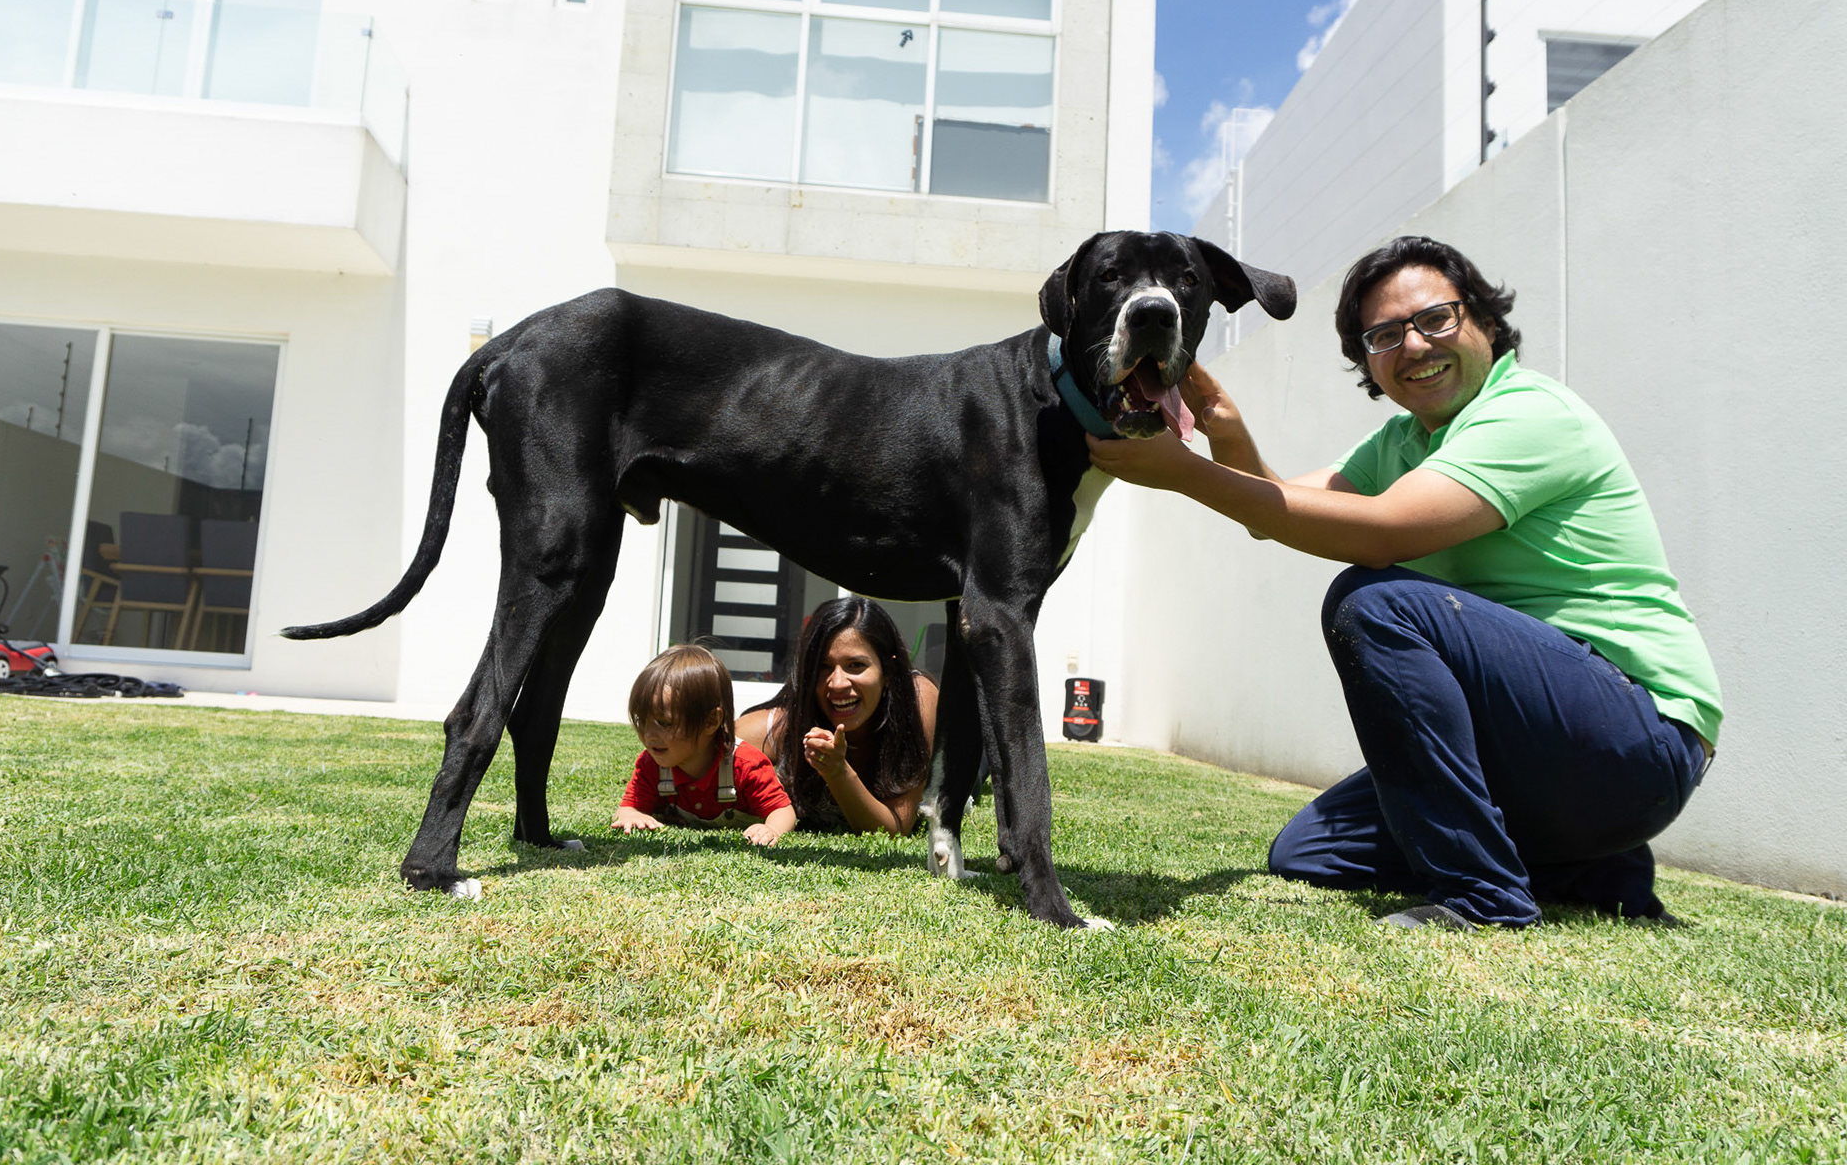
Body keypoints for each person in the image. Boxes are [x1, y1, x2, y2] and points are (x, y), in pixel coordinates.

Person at [1086, 235, 1721, 929]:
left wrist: (1188, 475)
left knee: (1375, 603)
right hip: (1536, 753)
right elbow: (1276, 507)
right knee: (1308, 852)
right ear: (1368, 362)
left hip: (1638, 736)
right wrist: (1225, 436)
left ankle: (1486, 898)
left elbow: (1382, 532)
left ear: (1484, 321)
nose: (1413, 346)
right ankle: (1589, 865)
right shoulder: (1405, 442)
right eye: (1384, 335)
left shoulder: (1531, 414)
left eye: (1436, 319)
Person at [736, 596, 939, 835]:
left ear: (888, 671)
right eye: (824, 667)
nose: (838, 683)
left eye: (856, 665)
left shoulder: (917, 699)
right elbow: (708, 745)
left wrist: (837, 772)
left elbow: (896, 828)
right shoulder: (786, 725)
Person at [613, 644, 797, 846]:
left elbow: (783, 810)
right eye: (641, 720)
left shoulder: (746, 764)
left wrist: (771, 829)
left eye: (664, 723)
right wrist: (631, 816)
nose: (648, 735)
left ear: (710, 722)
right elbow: (628, 808)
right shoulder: (651, 764)